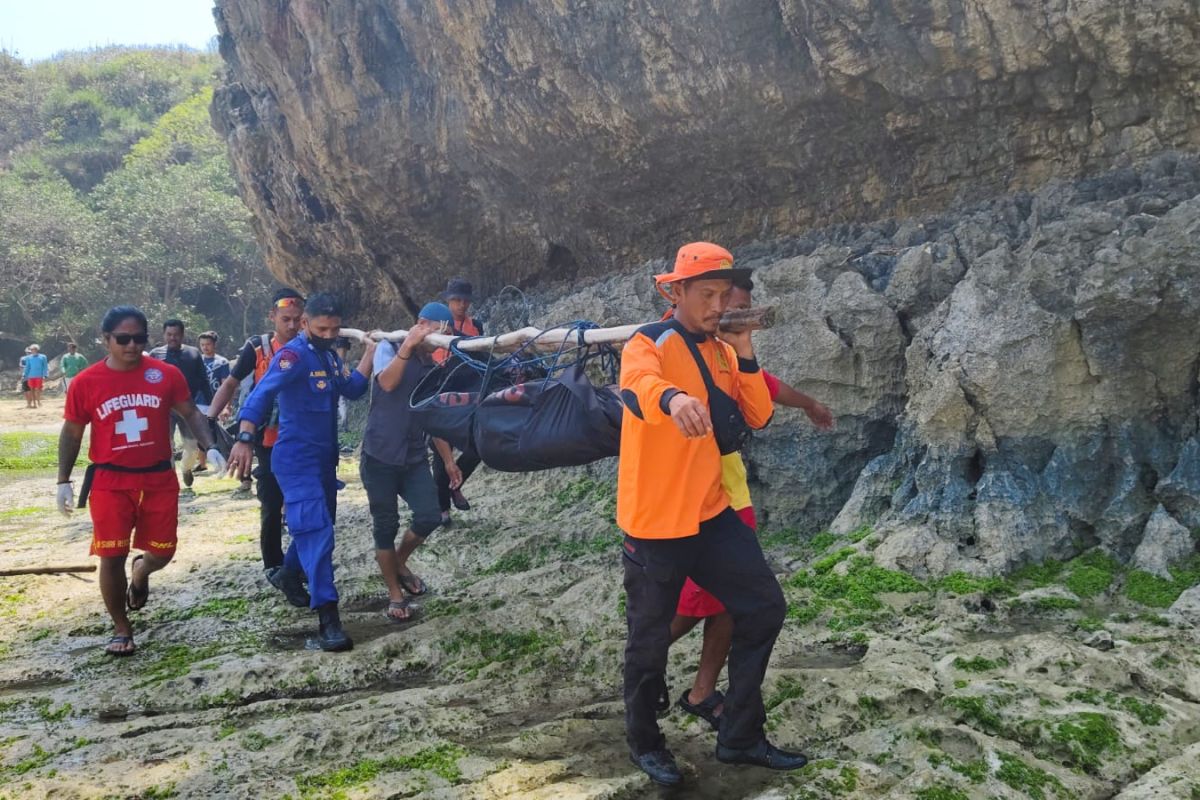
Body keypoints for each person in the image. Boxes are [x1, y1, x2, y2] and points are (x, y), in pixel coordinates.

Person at [617, 242, 807, 786]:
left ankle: (740, 735)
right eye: (706, 294)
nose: (717, 305)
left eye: (724, 295)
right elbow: (637, 387)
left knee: (765, 607)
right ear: (675, 291)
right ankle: (645, 740)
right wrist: (674, 400)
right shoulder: (647, 342)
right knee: (648, 636)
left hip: (710, 512)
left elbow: (759, 413)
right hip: (654, 520)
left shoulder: (723, 350)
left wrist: (744, 349)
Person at [671, 274, 834, 730]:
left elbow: (768, 390)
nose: (730, 313)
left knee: (731, 602)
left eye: (739, 307)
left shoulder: (729, 354)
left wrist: (810, 404)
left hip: (731, 497)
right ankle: (640, 674)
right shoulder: (677, 348)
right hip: (694, 503)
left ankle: (702, 692)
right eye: (722, 303)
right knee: (685, 609)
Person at [55, 306, 224, 656]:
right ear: (106, 340)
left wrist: (211, 447)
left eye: (138, 338)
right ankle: (121, 626)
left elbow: (190, 411)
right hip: (110, 481)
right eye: (122, 339)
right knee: (111, 554)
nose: (131, 345)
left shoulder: (165, 375)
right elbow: (72, 432)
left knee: (163, 552)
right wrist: (63, 481)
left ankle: (142, 572)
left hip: (158, 477)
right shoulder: (86, 382)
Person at [226, 292, 377, 651]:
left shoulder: (329, 355)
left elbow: (354, 389)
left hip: (325, 461)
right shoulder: (292, 356)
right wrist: (245, 437)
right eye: (321, 328)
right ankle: (328, 617)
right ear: (306, 323)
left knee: (317, 526)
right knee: (319, 533)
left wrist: (369, 352)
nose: (329, 334)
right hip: (295, 461)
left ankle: (288, 574)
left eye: (335, 328)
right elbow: (261, 394)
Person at [360, 302, 460, 621]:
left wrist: (448, 462)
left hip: (414, 457)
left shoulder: (433, 369)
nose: (438, 338)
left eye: (446, 333)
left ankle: (398, 562)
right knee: (385, 525)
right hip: (379, 455)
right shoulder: (389, 347)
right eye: (435, 330)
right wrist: (409, 345)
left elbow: (434, 420)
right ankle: (394, 592)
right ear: (420, 324)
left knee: (430, 515)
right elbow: (387, 383)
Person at [208, 288, 306, 598]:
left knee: (305, 506)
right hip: (266, 440)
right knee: (272, 504)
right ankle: (274, 568)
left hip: (302, 440)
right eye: (285, 319)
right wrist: (209, 423)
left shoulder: (311, 345)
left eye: (297, 319)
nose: (291, 326)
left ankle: (299, 566)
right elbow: (232, 383)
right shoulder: (259, 348)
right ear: (272, 317)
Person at [431, 278, 484, 524]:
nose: (461, 305)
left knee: (476, 447)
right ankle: (442, 507)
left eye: (465, 300)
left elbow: (482, 352)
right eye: (456, 300)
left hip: (468, 393)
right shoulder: (434, 325)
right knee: (442, 454)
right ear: (448, 301)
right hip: (439, 390)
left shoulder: (478, 326)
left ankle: (456, 485)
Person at [150, 320, 214, 486]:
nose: (173, 338)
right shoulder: (155, 355)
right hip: (163, 410)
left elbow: (204, 381)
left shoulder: (193, 354)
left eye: (176, 335)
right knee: (165, 446)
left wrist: (213, 406)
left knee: (192, 446)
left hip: (188, 409)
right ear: (164, 335)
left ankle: (186, 469)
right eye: (169, 335)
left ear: (182, 335)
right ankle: (170, 479)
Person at [197, 331, 231, 418]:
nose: (205, 347)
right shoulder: (196, 360)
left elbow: (227, 386)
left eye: (208, 344)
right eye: (202, 344)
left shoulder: (222, 362)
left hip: (215, 405)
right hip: (197, 405)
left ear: (214, 344)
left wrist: (226, 407)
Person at [22, 344, 49, 408]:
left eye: (33, 349)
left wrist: (45, 375)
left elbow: (45, 366)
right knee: (32, 390)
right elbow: (27, 367)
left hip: (39, 376)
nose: (32, 351)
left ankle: (38, 401)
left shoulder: (43, 357)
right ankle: (34, 403)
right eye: (31, 349)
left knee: (38, 389)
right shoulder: (28, 358)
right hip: (30, 376)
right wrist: (25, 374)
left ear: (37, 349)